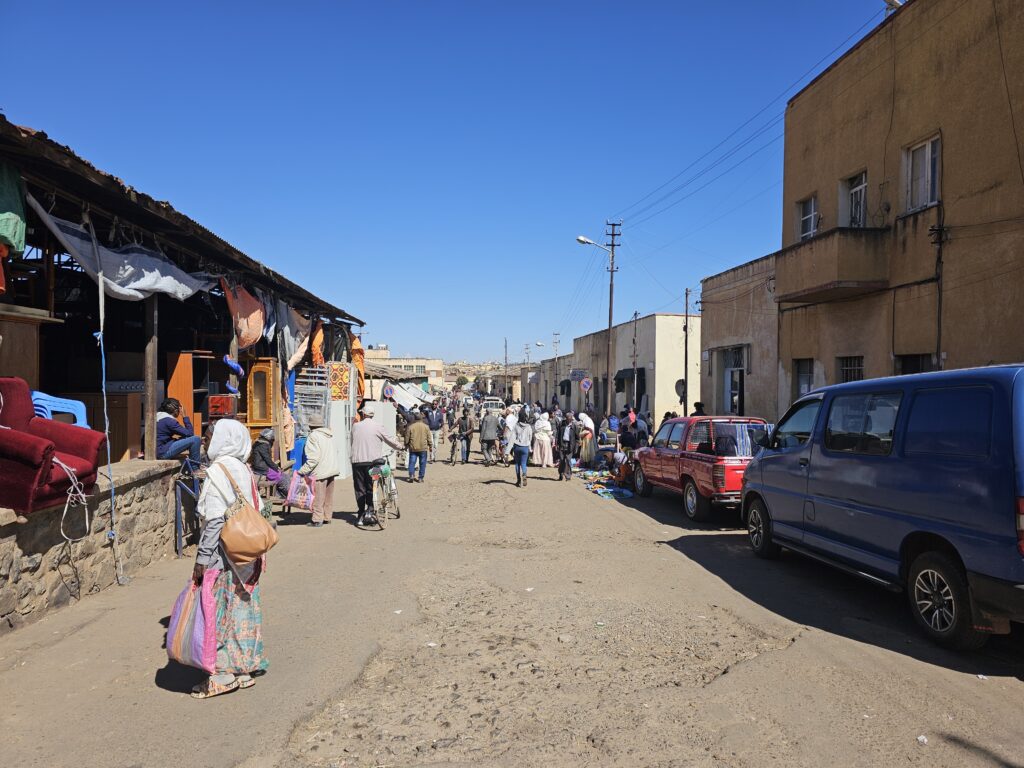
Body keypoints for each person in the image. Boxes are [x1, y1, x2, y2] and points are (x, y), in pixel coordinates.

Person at [190, 418, 267, 699]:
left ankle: (221, 674)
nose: (205, 441)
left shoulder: (217, 472)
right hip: (247, 551)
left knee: (218, 611)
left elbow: (213, 522)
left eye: (209, 436)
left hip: (223, 555)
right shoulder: (242, 469)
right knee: (241, 610)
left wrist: (201, 560)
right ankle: (243, 670)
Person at [350, 403, 403, 526]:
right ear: (372, 415)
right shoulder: (378, 426)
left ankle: (361, 514)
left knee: (359, 488)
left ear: (363, 414)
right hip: (372, 463)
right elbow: (389, 439)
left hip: (357, 462)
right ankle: (370, 510)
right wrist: (400, 447)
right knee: (371, 486)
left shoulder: (355, 427)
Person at [298, 423, 341, 528]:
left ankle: (317, 520)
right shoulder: (330, 435)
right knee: (328, 496)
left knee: (318, 497)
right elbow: (336, 451)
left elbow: (313, 458)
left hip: (321, 471)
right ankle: (327, 517)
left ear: (310, 426)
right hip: (332, 469)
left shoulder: (313, 436)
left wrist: (302, 471)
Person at [156, 398, 201, 463]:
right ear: (176, 410)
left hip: (156, 451)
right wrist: (184, 416)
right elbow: (190, 434)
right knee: (195, 439)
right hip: (162, 453)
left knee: (184, 438)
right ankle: (195, 468)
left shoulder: (157, 416)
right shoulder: (169, 421)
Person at [250, 428, 291, 498]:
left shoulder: (260, 443)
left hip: (261, 466)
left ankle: (285, 494)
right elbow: (267, 459)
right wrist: (276, 467)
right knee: (281, 478)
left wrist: (276, 467)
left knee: (284, 476)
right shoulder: (263, 445)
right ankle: (288, 495)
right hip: (261, 468)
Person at [405, 411, 431, 483]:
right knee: (422, 463)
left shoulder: (410, 427)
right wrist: (430, 446)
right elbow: (429, 437)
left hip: (413, 448)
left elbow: (407, 438)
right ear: (421, 418)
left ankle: (411, 475)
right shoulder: (426, 427)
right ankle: (420, 478)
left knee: (412, 462)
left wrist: (406, 445)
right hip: (423, 448)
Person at [511, 408, 534, 487]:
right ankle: (524, 474)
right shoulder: (529, 427)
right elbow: (530, 437)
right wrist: (529, 446)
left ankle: (518, 480)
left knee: (517, 464)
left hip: (517, 446)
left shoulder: (516, 425)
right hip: (525, 447)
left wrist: (508, 451)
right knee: (524, 464)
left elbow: (512, 437)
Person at [558, 411, 579, 481]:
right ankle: (561, 473)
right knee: (561, 460)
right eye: (567, 419)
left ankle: (568, 475)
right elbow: (558, 435)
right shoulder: (561, 424)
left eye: (570, 419)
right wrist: (557, 444)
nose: (569, 421)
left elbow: (577, 438)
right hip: (562, 444)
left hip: (570, 445)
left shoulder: (574, 426)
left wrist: (576, 447)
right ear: (566, 419)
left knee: (568, 460)